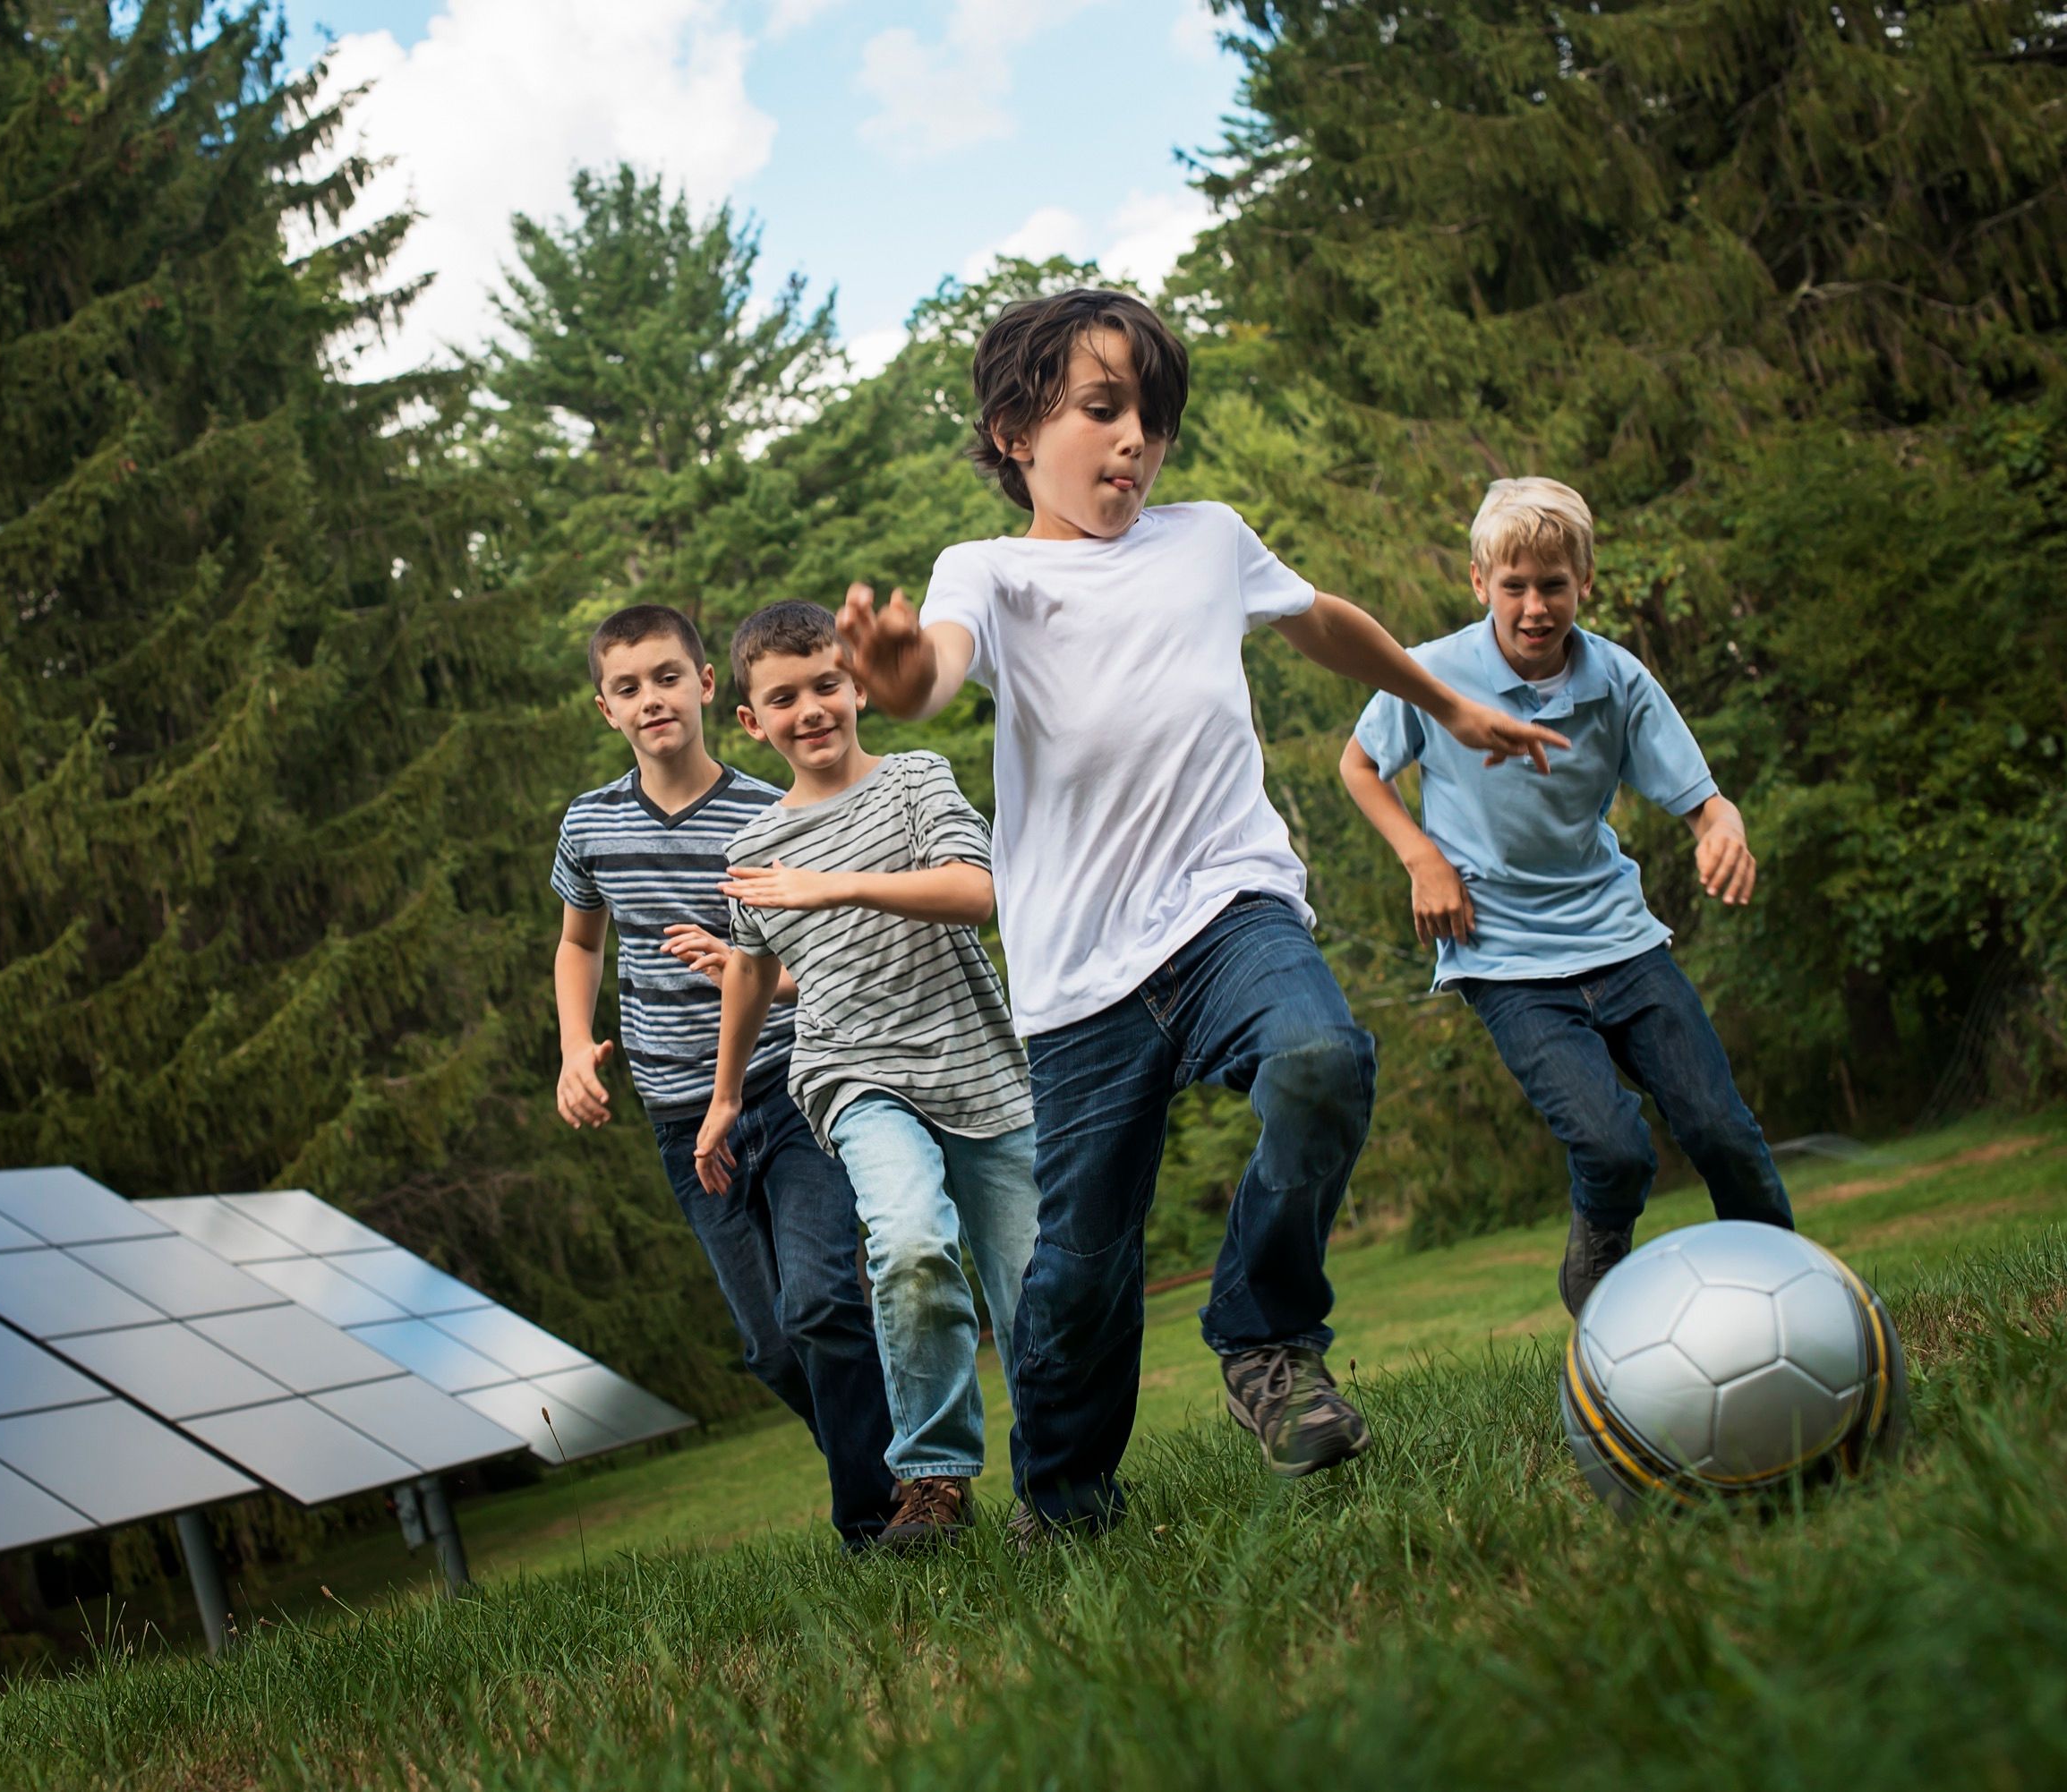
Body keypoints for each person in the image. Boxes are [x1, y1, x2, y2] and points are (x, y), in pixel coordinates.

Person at [837, 288, 1567, 1534]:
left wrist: (1443, 704)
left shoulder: (1208, 537)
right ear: (1017, 429)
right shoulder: (991, 569)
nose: (1136, 442)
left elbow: (1323, 623)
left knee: (1322, 1058)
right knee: (1077, 1269)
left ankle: (1263, 1332)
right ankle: (1065, 1501)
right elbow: (938, 665)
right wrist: (900, 675)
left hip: (1230, 905)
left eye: (1155, 421)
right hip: (1079, 973)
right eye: (1103, 409)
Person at [1337, 476, 1793, 1317]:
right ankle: (1602, 1282)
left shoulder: (1616, 680)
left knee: (1723, 1132)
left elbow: (1704, 802)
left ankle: (1785, 1298)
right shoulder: (1433, 674)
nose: (1535, 607)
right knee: (1614, 1148)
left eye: (1554, 585)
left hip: (1620, 939)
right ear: (1481, 584)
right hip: (1505, 959)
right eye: (1514, 586)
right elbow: (1359, 765)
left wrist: (1721, 830)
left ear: (1585, 580)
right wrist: (1421, 858)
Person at [693, 601, 1041, 1552]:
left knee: (1031, 1290)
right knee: (910, 1245)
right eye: (783, 698)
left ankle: (1057, 1481)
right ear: (751, 721)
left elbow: (977, 892)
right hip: (853, 1073)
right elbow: (754, 971)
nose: (810, 709)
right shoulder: (752, 850)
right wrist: (725, 1098)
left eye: (825, 685)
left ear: (855, 687)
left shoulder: (916, 780)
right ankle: (932, 1480)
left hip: (975, 1063)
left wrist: (835, 883)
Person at [550, 602, 893, 1549]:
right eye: (628, 687)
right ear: (605, 710)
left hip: (791, 1091)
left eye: (667, 676)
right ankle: (902, 1466)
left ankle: (880, 1521)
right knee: (775, 1346)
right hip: (678, 1117)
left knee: (823, 1300)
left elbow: (832, 955)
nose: (651, 698)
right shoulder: (591, 826)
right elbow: (579, 944)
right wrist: (576, 1047)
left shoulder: (767, 815)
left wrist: (753, 973)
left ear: (707, 687)